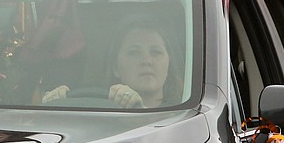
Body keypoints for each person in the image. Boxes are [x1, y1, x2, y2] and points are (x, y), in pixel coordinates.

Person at [41, 19, 181, 108]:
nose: (147, 61)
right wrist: (53, 108)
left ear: (169, 63)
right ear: (115, 68)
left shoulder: (188, 118)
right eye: (134, 52)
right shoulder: (99, 117)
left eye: (156, 52)